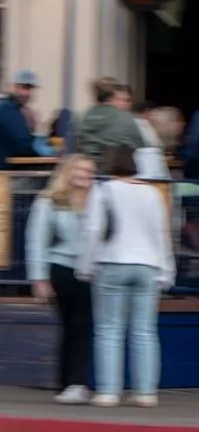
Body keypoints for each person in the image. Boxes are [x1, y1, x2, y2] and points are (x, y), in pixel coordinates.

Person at [79, 144, 175, 409]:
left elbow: (93, 229)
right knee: (144, 331)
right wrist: (167, 270)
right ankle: (146, 392)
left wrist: (85, 265)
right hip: (148, 265)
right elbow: (161, 232)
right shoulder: (152, 193)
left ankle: (108, 391)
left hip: (112, 261)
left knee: (109, 330)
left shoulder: (104, 190)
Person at [26, 153, 97, 404]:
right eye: (80, 169)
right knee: (70, 325)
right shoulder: (49, 201)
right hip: (61, 269)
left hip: (91, 272)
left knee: (81, 325)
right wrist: (39, 279)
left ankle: (75, 382)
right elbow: (37, 240)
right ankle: (69, 382)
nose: (85, 175)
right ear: (67, 172)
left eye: (89, 171)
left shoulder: (98, 200)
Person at [75, 78, 144, 161]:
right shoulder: (128, 118)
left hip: (90, 164)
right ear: (113, 95)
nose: (123, 103)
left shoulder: (85, 116)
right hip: (118, 165)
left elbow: (79, 143)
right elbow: (140, 147)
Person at [0, 68, 39, 167]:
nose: (27, 93)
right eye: (24, 88)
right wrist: (41, 157)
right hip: (7, 169)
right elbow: (22, 144)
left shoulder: (11, 109)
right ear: (13, 87)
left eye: (29, 89)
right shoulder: (8, 110)